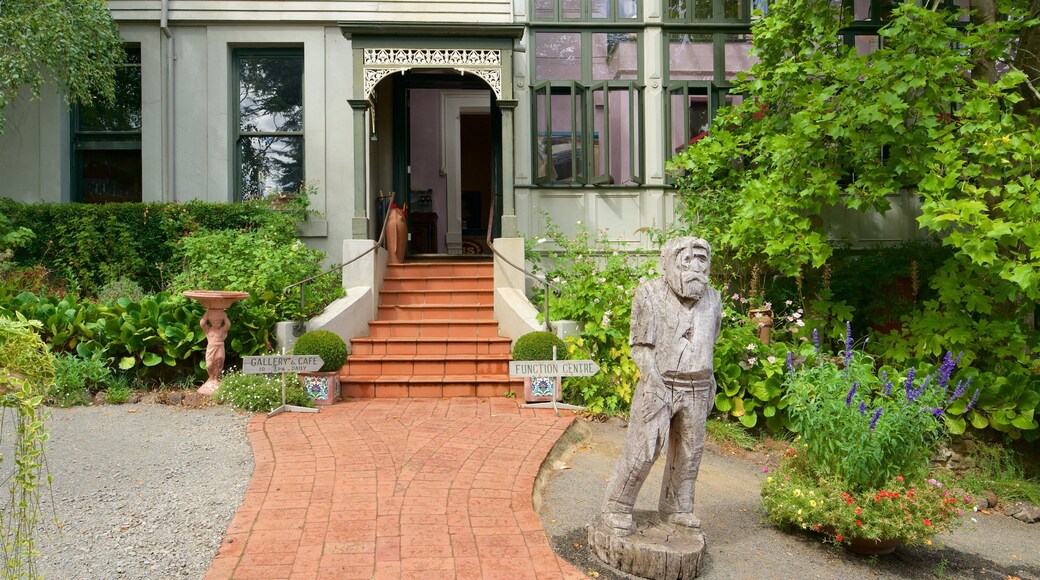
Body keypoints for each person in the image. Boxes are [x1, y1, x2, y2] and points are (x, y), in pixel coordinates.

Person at [598, 236, 721, 537]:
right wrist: (653, 383)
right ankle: (617, 505)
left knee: (690, 453)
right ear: (669, 262)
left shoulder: (713, 298)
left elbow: (711, 342)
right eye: (686, 259)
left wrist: (711, 380)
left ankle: (678, 508)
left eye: (701, 259)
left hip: (699, 385)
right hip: (659, 382)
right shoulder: (651, 293)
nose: (695, 267)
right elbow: (640, 345)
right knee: (644, 448)